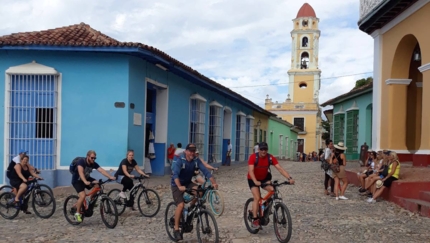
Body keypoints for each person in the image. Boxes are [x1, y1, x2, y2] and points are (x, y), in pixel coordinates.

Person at [170, 143, 218, 241]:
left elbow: (205, 171)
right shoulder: (180, 160)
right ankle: (176, 230)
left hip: (188, 183)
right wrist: (179, 186)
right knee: (181, 205)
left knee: (200, 191)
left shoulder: (196, 160)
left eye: (193, 151)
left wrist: (213, 182)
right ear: (186, 151)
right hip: (177, 185)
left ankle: (192, 207)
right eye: (190, 151)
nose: (192, 153)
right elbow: (175, 175)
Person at [247, 142, 295, 229]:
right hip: (252, 179)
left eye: (265, 149)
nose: (263, 151)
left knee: (272, 190)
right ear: (258, 150)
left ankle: (265, 207)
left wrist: (289, 178)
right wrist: (255, 181)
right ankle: (255, 220)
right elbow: (251, 170)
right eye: (261, 149)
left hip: (264, 178)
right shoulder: (253, 157)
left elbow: (279, 168)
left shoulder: (270, 157)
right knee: (257, 197)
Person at [71, 150, 116, 223]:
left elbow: (101, 170)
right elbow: (81, 173)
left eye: (95, 158)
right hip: (77, 180)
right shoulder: (81, 162)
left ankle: (90, 200)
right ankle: (77, 213)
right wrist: (85, 182)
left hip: (86, 178)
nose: (93, 159)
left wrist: (110, 176)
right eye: (92, 158)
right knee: (82, 196)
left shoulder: (93, 163)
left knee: (97, 184)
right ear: (88, 157)